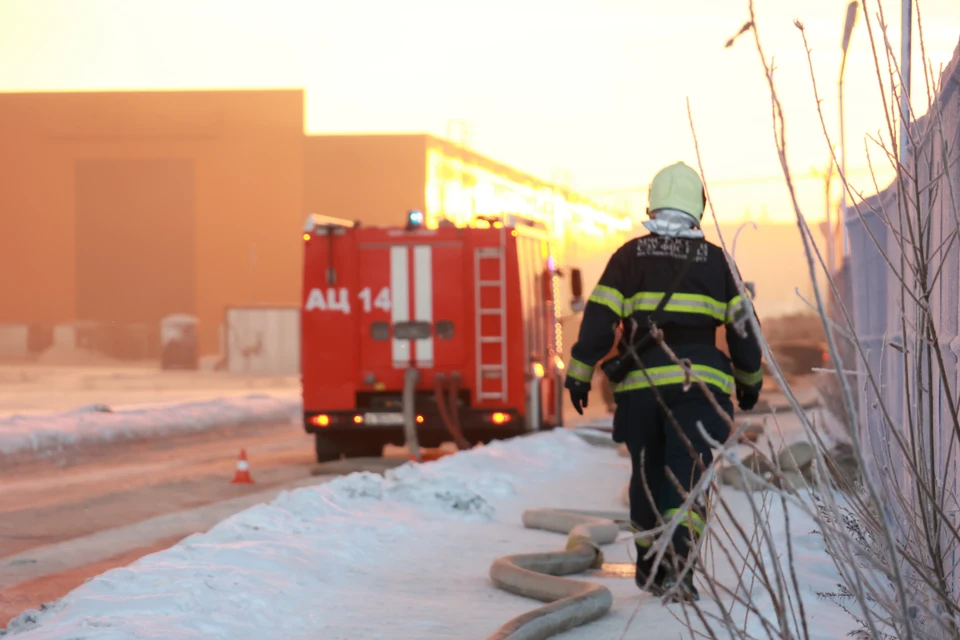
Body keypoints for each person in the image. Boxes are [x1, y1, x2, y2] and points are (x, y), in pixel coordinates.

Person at [564, 161, 763, 602]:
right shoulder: (717, 262)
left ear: (652, 205)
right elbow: (744, 329)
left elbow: (599, 319)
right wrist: (749, 380)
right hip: (700, 387)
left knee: (648, 473)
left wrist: (579, 374)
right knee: (685, 474)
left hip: (642, 390)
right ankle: (679, 567)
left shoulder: (628, 256)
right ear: (698, 208)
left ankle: (652, 563)